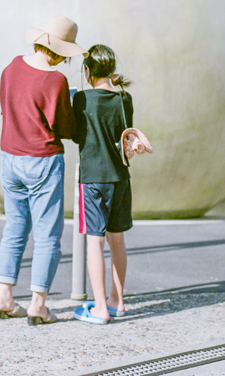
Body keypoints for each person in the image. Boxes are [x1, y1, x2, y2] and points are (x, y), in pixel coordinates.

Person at [0, 16, 84, 326]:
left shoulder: (11, 67)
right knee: (47, 237)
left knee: (14, 228)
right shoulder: (56, 81)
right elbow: (65, 127)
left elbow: (7, 109)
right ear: (59, 52)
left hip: (10, 157)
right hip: (42, 160)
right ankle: (38, 305)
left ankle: (4, 297)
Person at [71, 44, 134, 325]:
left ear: (87, 71)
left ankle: (99, 308)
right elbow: (126, 135)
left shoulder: (82, 100)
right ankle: (117, 301)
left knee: (94, 242)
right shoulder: (124, 98)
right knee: (117, 240)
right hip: (120, 177)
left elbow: (75, 136)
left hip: (94, 178)